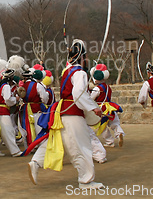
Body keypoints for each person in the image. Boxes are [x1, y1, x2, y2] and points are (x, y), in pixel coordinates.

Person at [27, 39, 105, 190]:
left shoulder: (67, 71)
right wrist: (93, 107)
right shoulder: (80, 73)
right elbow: (78, 94)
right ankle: (86, 180)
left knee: (57, 141)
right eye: (86, 56)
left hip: (62, 113)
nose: (87, 59)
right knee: (82, 147)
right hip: (73, 114)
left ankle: (35, 163)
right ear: (82, 57)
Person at [0, 68, 23, 157]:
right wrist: (16, 99)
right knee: (9, 131)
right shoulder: (6, 86)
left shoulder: (1, 86)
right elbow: (7, 100)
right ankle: (15, 151)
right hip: (3, 111)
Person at [90, 64, 124, 148]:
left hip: (101, 108)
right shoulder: (108, 87)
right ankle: (119, 133)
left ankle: (109, 141)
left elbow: (91, 98)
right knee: (114, 123)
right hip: (109, 107)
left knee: (103, 126)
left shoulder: (97, 89)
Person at [17, 69, 48, 149]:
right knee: (38, 128)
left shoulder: (23, 86)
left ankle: (29, 146)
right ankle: (41, 146)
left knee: (27, 128)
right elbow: (44, 99)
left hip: (26, 110)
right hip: (36, 109)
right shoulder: (37, 85)